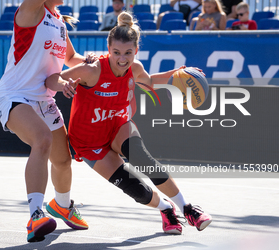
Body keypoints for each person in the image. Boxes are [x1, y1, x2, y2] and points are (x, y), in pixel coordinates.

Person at [46, 11, 212, 235]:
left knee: (143, 159)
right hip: (88, 142)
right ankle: (166, 208)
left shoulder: (135, 69)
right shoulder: (92, 70)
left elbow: (151, 81)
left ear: (136, 51)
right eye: (116, 53)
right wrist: (63, 85)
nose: (122, 58)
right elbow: (51, 79)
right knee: (138, 190)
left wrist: (179, 73)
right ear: (108, 49)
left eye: (128, 53)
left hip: (118, 126)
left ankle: (188, 209)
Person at [0, 0, 97, 243]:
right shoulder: (32, 10)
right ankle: (35, 215)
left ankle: (62, 205)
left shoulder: (59, 21)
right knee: (42, 140)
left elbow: (71, 57)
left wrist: (94, 63)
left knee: (63, 160)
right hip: (15, 95)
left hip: (45, 99)